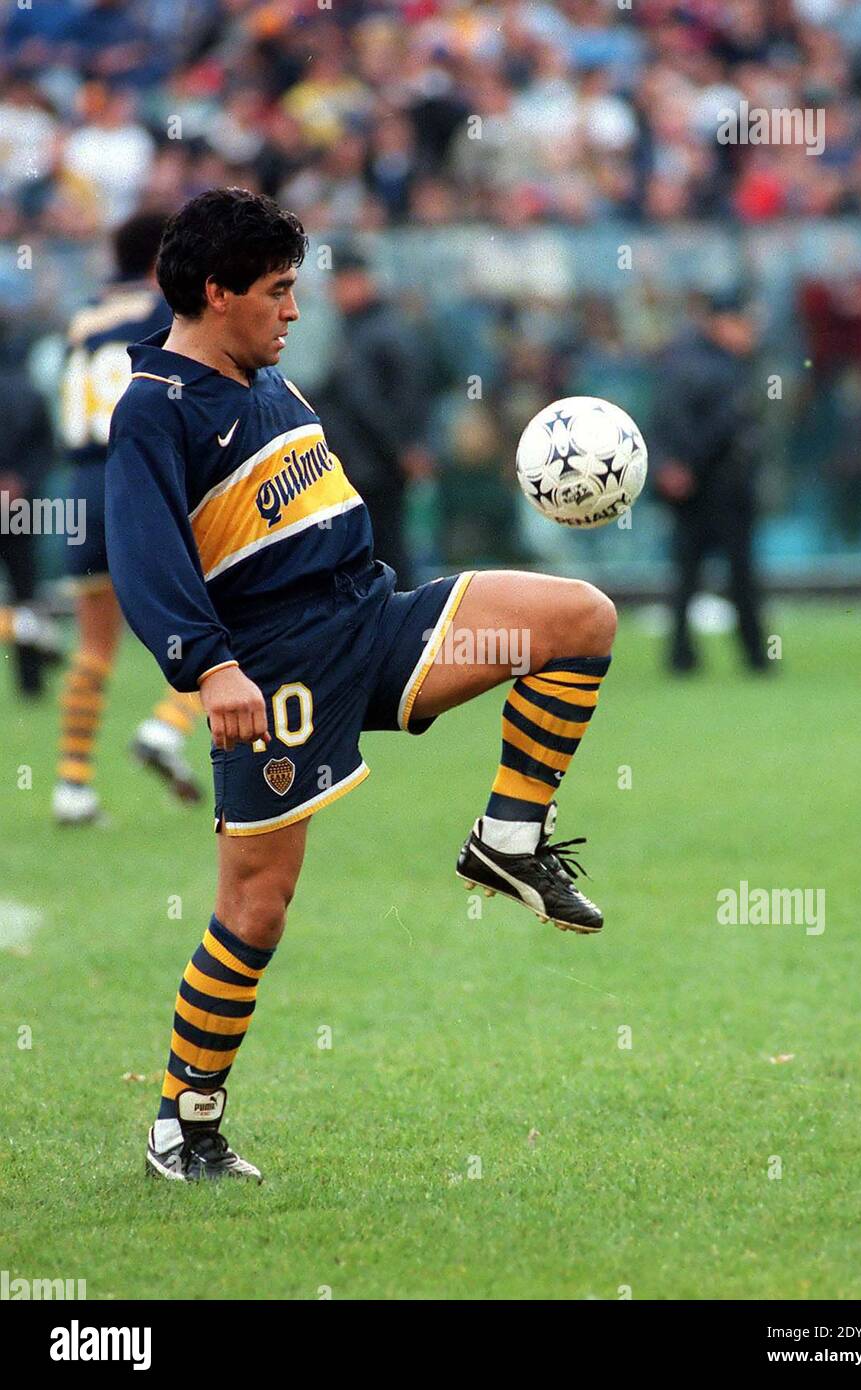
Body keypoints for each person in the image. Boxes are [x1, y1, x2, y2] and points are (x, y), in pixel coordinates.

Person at [105, 188, 618, 1184]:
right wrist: (209, 667)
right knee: (255, 911)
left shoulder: (268, 380)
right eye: (277, 292)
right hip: (277, 676)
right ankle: (185, 1122)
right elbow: (143, 558)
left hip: (377, 621)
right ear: (217, 294)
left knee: (578, 619)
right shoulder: (154, 412)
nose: (294, 311)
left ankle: (507, 837)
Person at [53, 210, 204, 826]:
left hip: (80, 485)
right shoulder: (166, 309)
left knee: (93, 646)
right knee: (219, 619)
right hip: (142, 480)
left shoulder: (84, 315)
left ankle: (71, 784)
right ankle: (166, 727)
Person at [652, 290, 767, 673]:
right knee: (738, 576)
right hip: (717, 488)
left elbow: (663, 420)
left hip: (698, 486)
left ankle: (681, 657)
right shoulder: (719, 367)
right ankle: (754, 658)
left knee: (687, 576)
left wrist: (671, 466)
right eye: (741, 322)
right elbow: (718, 427)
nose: (749, 331)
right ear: (720, 323)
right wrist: (683, 465)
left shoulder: (684, 360)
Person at [310, 245, 432, 588]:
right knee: (382, 549)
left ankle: (402, 629)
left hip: (371, 465)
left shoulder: (377, 330)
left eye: (342, 282)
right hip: (370, 461)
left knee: (382, 550)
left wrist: (404, 447)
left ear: (361, 281)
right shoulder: (365, 328)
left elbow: (370, 399)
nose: (335, 292)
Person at [0, 320, 61, 697]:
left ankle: (29, 630)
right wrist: (19, 481)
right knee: (26, 588)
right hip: (21, 506)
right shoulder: (30, 390)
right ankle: (31, 681)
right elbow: (46, 450)